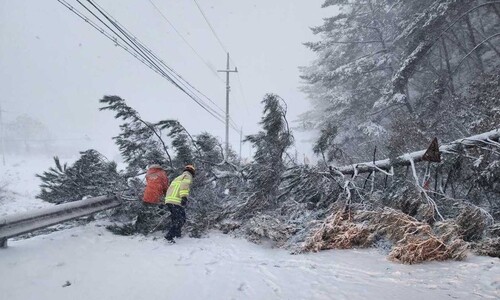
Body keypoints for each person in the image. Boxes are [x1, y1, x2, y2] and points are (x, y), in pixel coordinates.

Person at [164, 164, 195, 243]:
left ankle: (177, 234)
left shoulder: (178, 177)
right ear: (192, 172)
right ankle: (169, 236)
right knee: (181, 219)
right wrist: (184, 197)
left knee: (175, 219)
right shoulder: (188, 176)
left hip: (169, 200)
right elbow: (184, 185)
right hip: (176, 200)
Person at [135, 164, 169, 233]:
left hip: (147, 194)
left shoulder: (149, 173)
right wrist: (167, 196)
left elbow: (150, 183)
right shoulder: (162, 173)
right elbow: (165, 186)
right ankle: (146, 229)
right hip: (155, 195)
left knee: (143, 212)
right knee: (150, 213)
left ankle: (137, 228)